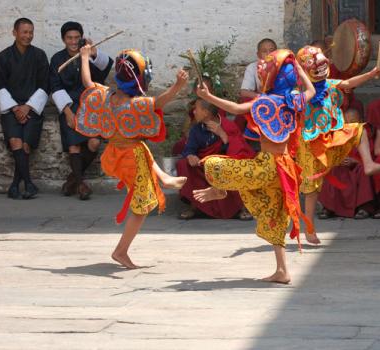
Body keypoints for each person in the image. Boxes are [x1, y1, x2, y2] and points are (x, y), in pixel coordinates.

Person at [194, 49, 316, 284]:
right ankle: (282, 270)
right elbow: (310, 90)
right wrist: (300, 71)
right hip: (285, 168)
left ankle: (220, 188)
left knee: (213, 165)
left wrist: (208, 97)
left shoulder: (265, 101)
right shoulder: (293, 101)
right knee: (275, 216)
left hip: (268, 165)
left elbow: (235, 109)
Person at [75, 45, 188, 269]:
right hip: (130, 159)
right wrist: (178, 85)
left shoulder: (106, 96)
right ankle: (121, 251)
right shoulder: (134, 105)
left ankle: (163, 178)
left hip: (113, 154)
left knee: (140, 146)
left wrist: (85, 57)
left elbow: (88, 83)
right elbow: (160, 102)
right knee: (142, 206)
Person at [294, 45, 380, 244]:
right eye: (315, 65)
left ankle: (368, 163)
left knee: (359, 130)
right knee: (312, 189)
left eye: (322, 63)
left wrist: (370, 74)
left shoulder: (329, 84)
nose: (320, 68)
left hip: (332, 136)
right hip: (311, 142)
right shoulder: (301, 91)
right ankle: (309, 228)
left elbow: (348, 82)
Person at [49, 21, 113, 200]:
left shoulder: (87, 54)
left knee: (94, 143)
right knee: (74, 145)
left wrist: (94, 53)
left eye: (77, 37)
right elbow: (55, 86)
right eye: (69, 38)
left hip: (90, 107)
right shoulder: (57, 59)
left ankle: (73, 180)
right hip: (69, 106)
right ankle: (81, 185)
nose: (73, 41)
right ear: (63, 39)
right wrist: (68, 113)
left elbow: (105, 68)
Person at [0, 17, 49, 200]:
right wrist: (16, 108)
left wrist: (28, 107)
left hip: (32, 108)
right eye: (24, 32)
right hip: (11, 109)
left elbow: (44, 86)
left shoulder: (39, 56)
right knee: (16, 142)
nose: (28, 36)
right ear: (15, 33)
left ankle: (15, 185)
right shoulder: (3, 57)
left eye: (31, 32)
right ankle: (29, 183)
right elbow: (0, 87)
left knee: (25, 146)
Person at [177, 98, 255, 220]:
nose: (194, 112)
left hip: (225, 165)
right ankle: (194, 206)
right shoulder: (196, 129)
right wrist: (190, 155)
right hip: (204, 166)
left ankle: (241, 207)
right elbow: (189, 149)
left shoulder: (228, 126)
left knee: (237, 166)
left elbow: (240, 151)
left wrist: (222, 134)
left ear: (206, 112)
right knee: (183, 164)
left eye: (196, 109)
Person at [317, 108, 376, 220]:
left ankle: (363, 207)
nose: (349, 126)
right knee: (332, 170)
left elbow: (372, 158)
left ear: (361, 122)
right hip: (343, 169)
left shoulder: (365, 135)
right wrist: (338, 160)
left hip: (358, 168)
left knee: (364, 170)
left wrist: (356, 161)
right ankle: (329, 208)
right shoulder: (339, 135)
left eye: (353, 121)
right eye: (346, 122)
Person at [235, 38, 277, 133]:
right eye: (264, 51)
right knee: (245, 102)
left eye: (271, 50)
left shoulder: (282, 66)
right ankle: (238, 135)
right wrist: (262, 97)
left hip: (278, 99)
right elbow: (244, 92)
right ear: (258, 55)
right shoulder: (252, 67)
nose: (268, 54)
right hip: (260, 100)